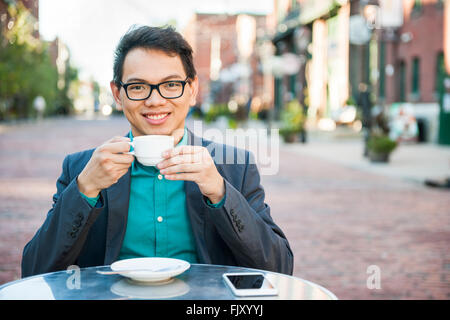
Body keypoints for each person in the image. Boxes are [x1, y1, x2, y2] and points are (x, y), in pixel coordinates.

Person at [21, 25, 293, 277]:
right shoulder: (81, 168)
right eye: (138, 87)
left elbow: (279, 267)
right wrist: (84, 190)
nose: (155, 100)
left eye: (171, 85)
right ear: (118, 94)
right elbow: (35, 269)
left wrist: (220, 191)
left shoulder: (235, 167)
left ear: (192, 89)